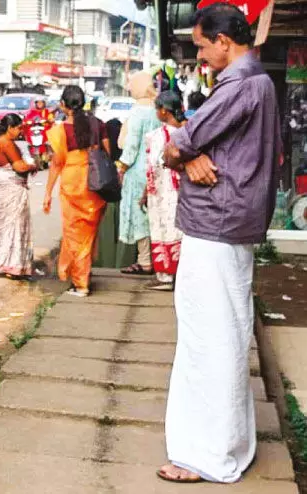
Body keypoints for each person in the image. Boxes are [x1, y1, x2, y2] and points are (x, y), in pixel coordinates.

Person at [158, 4, 280, 484]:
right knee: (224, 334)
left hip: (217, 225)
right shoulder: (258, 83)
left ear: (224, 41)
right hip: (229, 224)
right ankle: (228, 445)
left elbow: (177, 142)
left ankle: (208, 455)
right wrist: (189, 156)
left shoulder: (239, 85)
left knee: (209, 340)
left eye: (203, 46)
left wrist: (183, 153)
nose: (200, 56)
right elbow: (186, 146)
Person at [43, 86, 106, 297]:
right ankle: (83, 275)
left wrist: (47, 192)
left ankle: (81, 284)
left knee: (74, 235)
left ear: (62, 105)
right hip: (93, 183)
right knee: (88, 234)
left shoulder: (60, 131)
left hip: (72, 183)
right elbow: (103, 152)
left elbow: (56, 164)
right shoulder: (95, 124)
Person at [139, 91, 186, 292]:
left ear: (164, 111)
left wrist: (145, 193)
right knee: (179, 230)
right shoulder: (187, 131)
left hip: (162, 190)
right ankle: (180, 275)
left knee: (162, 228)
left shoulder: (158, 136)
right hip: (183, 189)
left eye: (157, 109)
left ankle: (165, 275)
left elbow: (153, 167)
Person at [118, 71, 161, 275]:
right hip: (156, 169)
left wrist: (122, 168)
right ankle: (158, 260)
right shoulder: (158, 110)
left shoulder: (137, 113)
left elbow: (131, 146)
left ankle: (144, 261)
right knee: (154, 215)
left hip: (137, 172)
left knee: (139, 215)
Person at [0, 113, 37, 278]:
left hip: (1, 190)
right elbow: (19, 167)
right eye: (19, 128)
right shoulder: (6, 143)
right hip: (10, 190)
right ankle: (11, 265)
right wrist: (33, 165)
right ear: (9, 128)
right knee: (13, 225)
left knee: (4, 227)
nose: (21, 131)